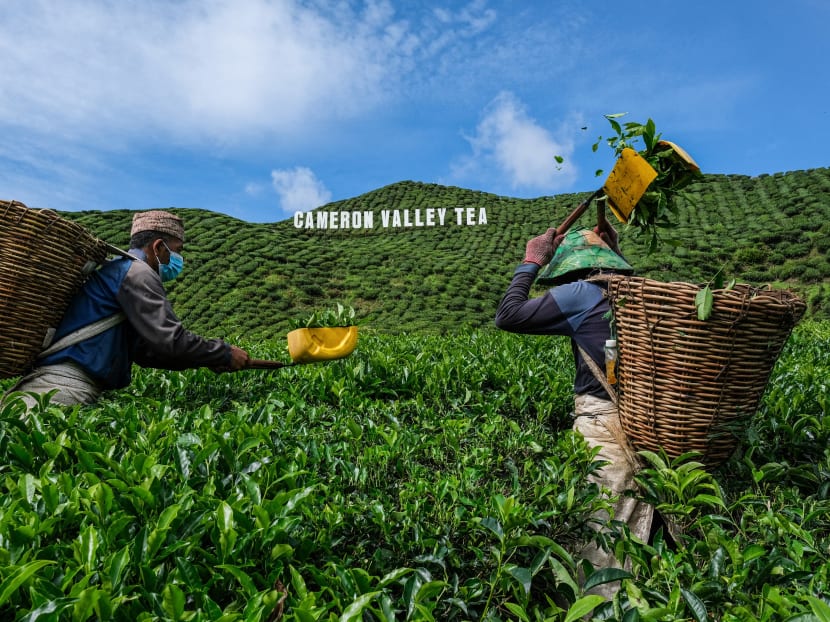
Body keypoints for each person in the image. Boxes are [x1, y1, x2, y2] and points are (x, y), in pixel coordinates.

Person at [494, 220, 652, 601]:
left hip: (604, 428)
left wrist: (531, 260)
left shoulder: (582, 293)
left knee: (598, 538)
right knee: (636, 535)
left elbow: (508, 315)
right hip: (647, 424)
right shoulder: (637, 296)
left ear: (571, 270)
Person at [4, 210, 250, 410]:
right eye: (177, 250)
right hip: (65, 389)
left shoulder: (118, 271)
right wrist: (224, 352)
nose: (178, 259)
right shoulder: (138, 274)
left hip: (54, 384)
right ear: (158, 247)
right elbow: (170, 340)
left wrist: (208, 360)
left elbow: (147, 352)